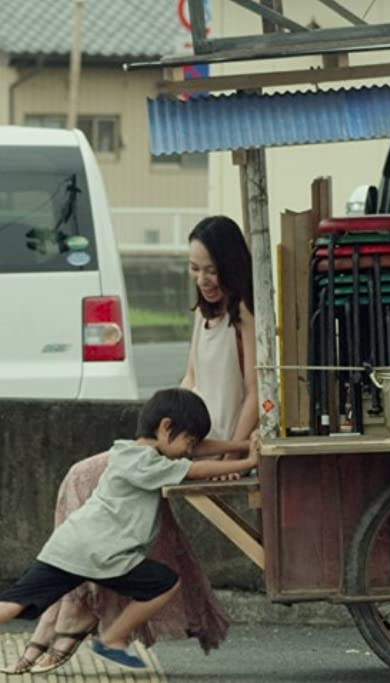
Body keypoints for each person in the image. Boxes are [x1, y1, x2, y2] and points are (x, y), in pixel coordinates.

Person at [3, 215, 258, 675]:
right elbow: (192, 379)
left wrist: (235, 452)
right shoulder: (203, 317)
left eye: (212, 269)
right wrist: (171, 421)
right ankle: (75, 605)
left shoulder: (244, 317)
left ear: (232, 266)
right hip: (181, 436)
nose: (204, 280)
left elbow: (256, 391)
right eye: (195, 269)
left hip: (205, 441)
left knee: (87, 479)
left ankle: (73, 609)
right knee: (84, 480)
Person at [0, 388, 259, 670]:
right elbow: (194, 469)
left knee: (15, 603)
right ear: (166, 427)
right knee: (165, 583)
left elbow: (196, 451)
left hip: (68, 546)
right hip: (104, 555)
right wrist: (250, 461)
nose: (190, 450)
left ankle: (111, 638)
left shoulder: (127, 451)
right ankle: (112, 638)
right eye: (189, 440)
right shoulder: (147, 463)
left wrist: (240, 445)